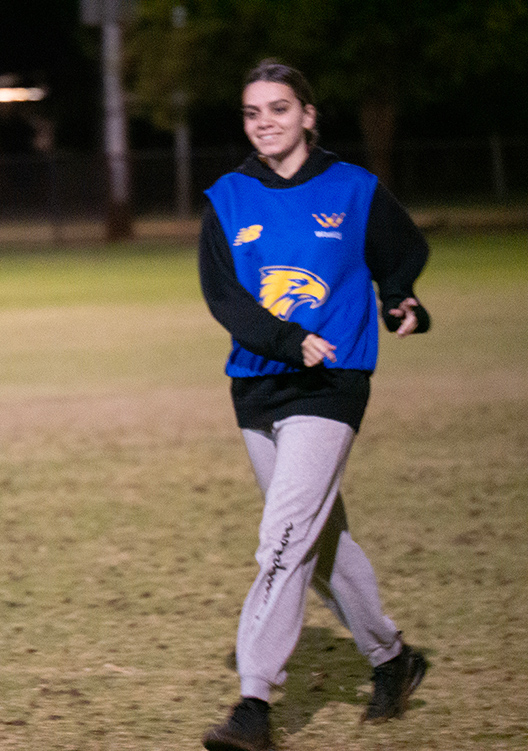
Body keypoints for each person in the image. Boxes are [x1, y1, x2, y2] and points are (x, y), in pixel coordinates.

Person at [197, 60, 430, 751]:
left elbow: (400, 250)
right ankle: (393, 657)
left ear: (308, 114)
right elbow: (226, 299)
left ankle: (253, 702)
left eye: (278, 108)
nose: (264, 122)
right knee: (318, 541)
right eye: (252, 112)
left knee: (283, 536)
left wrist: (399, 297)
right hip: (257, 384)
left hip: (332, 385)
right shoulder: (228, 196)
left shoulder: (355, 189)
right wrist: (285, 339)